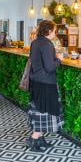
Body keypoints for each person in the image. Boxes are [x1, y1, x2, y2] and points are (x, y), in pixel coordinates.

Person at [26, 20, 63, 152]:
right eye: (54, 30)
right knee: (43, 111)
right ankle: (33, 139)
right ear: (48, 31)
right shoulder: (47, 45)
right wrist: (59, 59)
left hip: (37, 81)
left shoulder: (35, 42)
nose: (55, 33)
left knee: (40, 110)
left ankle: (40, 138)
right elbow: (49, 67)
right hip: (46, 83)